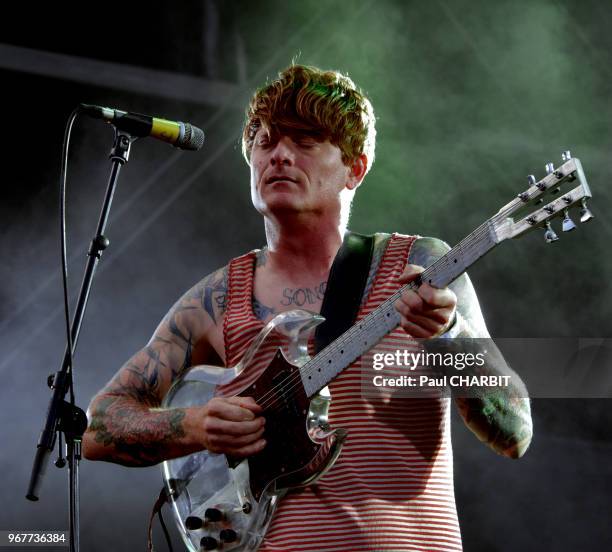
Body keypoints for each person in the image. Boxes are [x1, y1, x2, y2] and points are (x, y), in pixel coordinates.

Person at [83, 64, 532, 551]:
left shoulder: (421, 265)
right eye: (265, 142)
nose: (279, 155)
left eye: (305, 141)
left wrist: (447, 332)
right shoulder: (216, 299)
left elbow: (514, 430)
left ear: (355, 167)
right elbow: (99, 427)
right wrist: (196, 424)